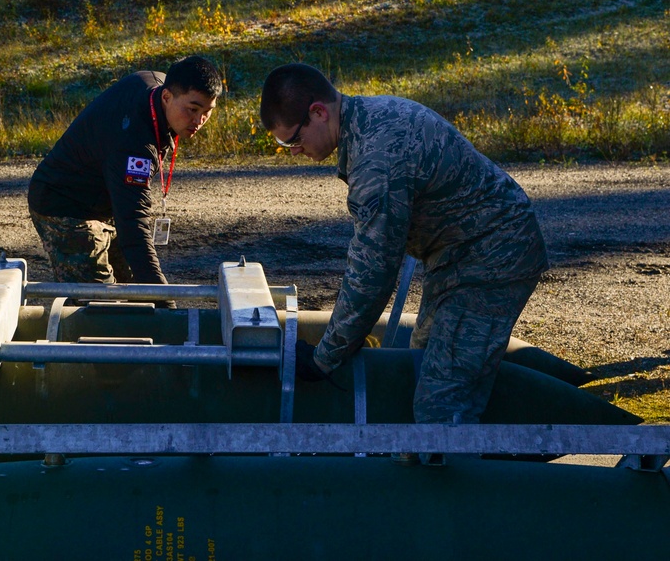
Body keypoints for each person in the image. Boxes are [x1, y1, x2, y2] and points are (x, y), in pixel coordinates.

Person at [259, 63, 548, 424]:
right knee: (421, 358)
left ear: (318, 112)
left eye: (293, 140)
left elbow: (373, 273)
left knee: (441, 405)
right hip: (457, 258)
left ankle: (456, 472)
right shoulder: (368, 119)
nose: (294, 151)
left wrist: (325, 356)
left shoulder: (376, 158)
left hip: (492, 259)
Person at [28, 55, 223, 298]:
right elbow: (133, 220)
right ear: (166, 97)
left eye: (207, 111)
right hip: (63, 205)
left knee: (134, 285)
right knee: (99, 304)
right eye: (192, 109)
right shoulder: (134, 144)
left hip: (103, 201)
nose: (199, 121)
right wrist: (163, 299)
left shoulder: (155, 84)